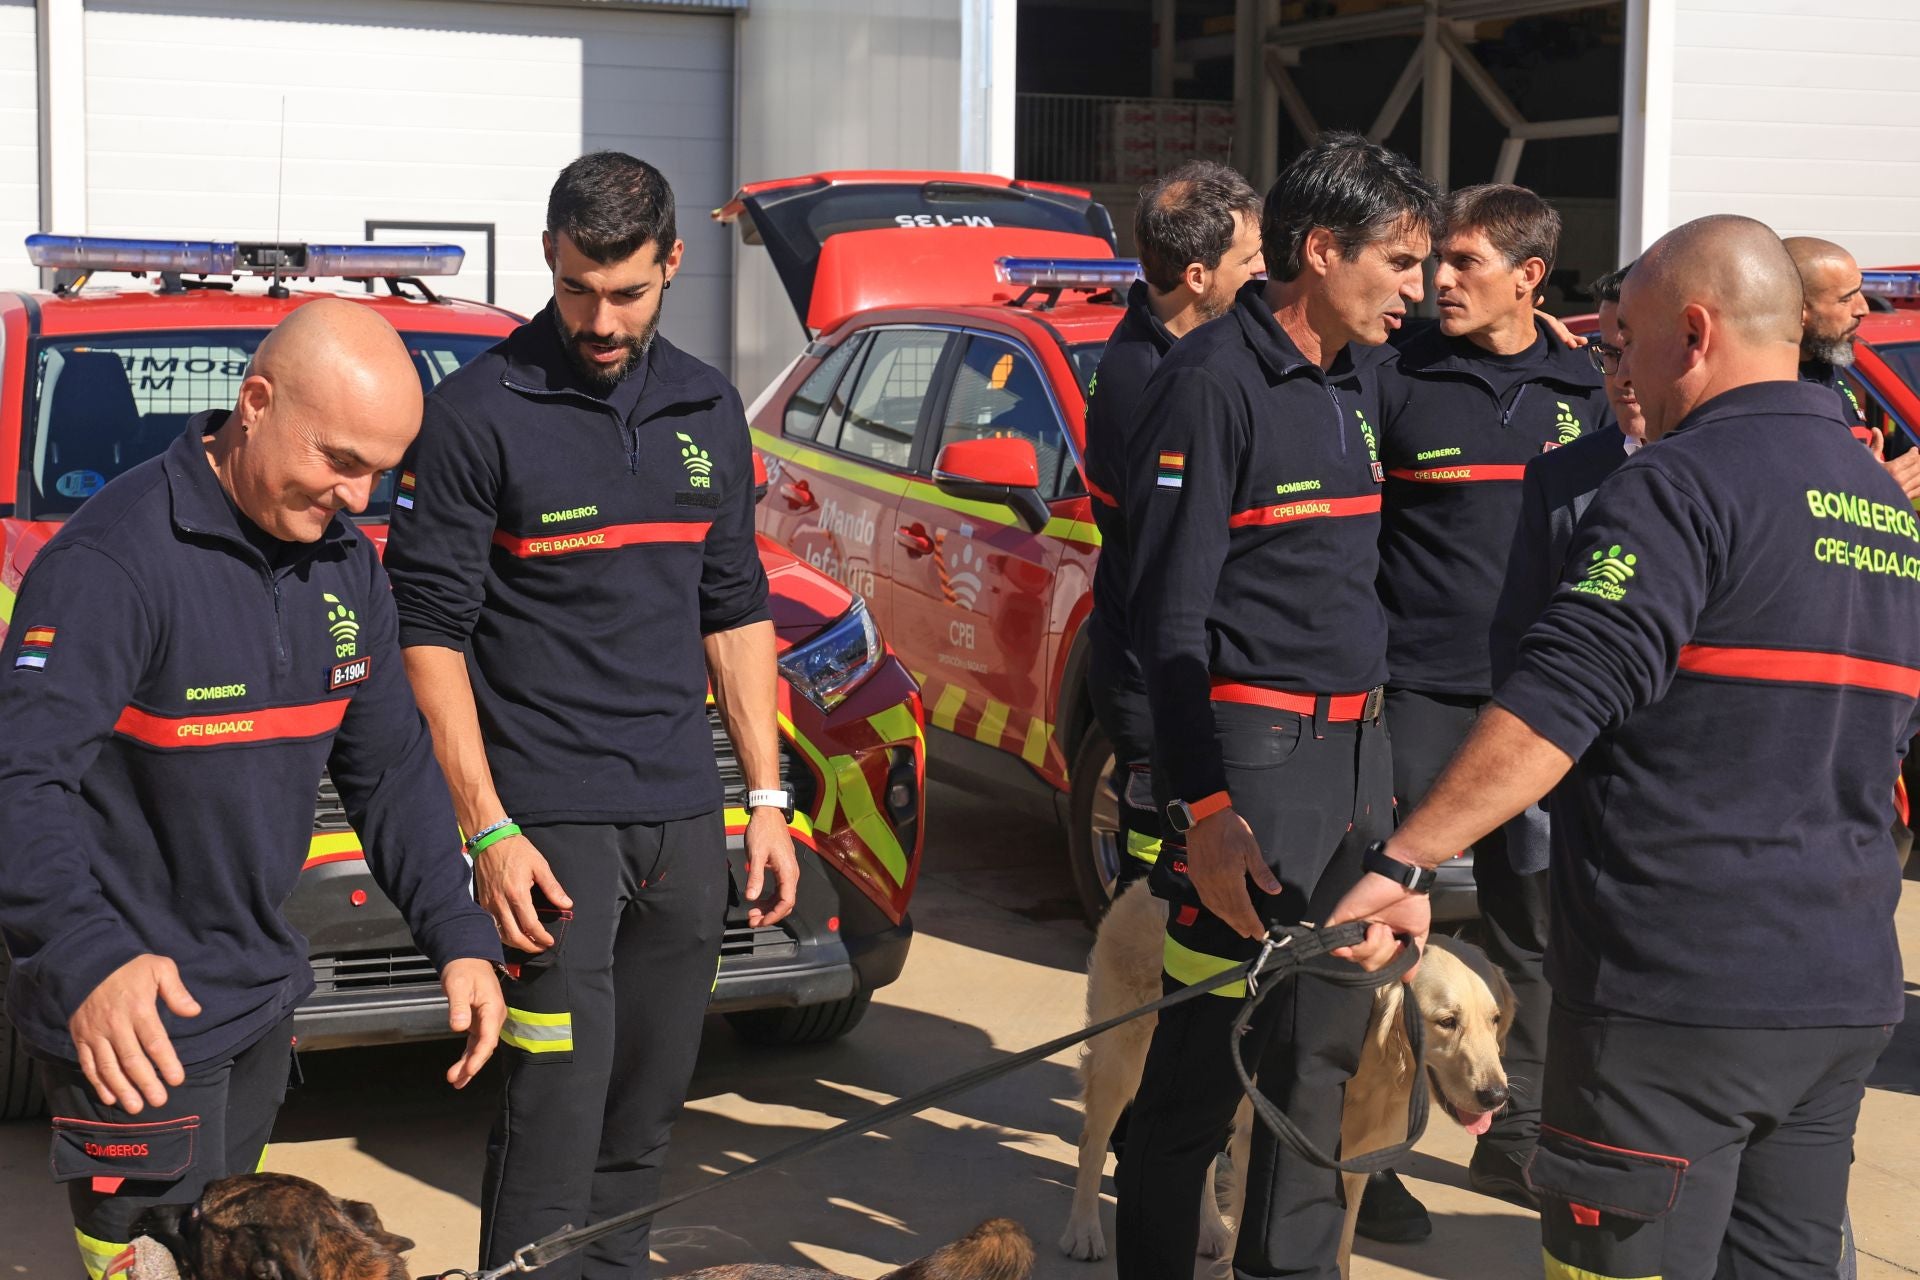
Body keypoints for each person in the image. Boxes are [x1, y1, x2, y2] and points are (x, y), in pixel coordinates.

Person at [1331, 214, 1918, 1279]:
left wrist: (1404, 858)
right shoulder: (1882, 503)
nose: (1620, 370)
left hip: (1671, 999)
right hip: (1838, 992)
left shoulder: (1675, 484)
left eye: (1628, 338)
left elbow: (1560, 692)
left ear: (1694, 332)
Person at [0, 300, 504, 1280]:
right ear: (257, 402)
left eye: (380, 471)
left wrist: (458, 929)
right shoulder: (113, 564)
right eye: (340, 460)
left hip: (258, 1001)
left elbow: (389, 763)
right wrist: (85, 955)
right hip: (133, 1018)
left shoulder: (346, 570)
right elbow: (20, 775)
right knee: (142, 1266)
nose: (358, 497)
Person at [383, 152, 800, 1278]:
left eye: (627, 292)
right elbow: (428, 633)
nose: (601, 320)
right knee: (556, 1123)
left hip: (682, 819)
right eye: (577, 290)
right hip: (551, 831)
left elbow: (735, 604)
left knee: (645, 1123)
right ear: (549, 262)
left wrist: (763, 796)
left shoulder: (709, 405)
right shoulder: (478, 414)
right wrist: (486, 827)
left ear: (673, 262)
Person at [1113, 131, 1439, 1280]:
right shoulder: (1210, 387)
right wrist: (1202, 806)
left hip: (1357, 762)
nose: (1419, 289)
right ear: (1318, 249)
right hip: (1250, 776)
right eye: (1399, 263)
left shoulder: (1359, 378)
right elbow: (1167, 624)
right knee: (1204, 1073)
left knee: (1319, 1074)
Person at [1369, 182, 1612, 1227]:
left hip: (1535, 699)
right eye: (1438, 261)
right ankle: (1370, 1152)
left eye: (1465, 262)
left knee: (1532, 930)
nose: (1440, 280)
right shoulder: (1399, 371)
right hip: (1414, 688)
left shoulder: (1584, 389)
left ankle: (1509, 1138)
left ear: (1530, 278)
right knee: (1384, 923)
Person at [1084, 160, 1263, 898]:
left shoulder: (1208, 352)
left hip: (1197, 674)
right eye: (1251, 260)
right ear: (1197, 276)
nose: (1266, 271)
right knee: (1164, 885)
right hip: (1157, 685)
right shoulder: (1147, 383)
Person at [1785, 235, 1920, 501]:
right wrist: (1875, 494)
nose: (1864, 308)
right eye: (1846, 299)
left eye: (1860, 291)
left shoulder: (1830, 366)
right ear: (1798, 308)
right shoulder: (1767, 389)